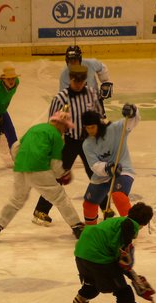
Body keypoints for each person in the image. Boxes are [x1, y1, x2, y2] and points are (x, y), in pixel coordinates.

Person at [59, 202, 155, 303]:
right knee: (125, 295)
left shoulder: (115, 221)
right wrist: (132, 276)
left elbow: (117, 255)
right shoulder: (130, 225)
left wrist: (131, 273)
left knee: (91, 288)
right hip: (97, 257)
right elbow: (122, 256)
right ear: (144, 222)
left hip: (82, 253)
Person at [0, 111, 85, 242]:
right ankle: (77, 227)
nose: (65, 130)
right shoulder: (56, 137)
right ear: (59, 124)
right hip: (40, 170)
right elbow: (55, 163)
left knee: (15, 201)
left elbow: (15, 148)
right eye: (65, 126)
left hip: (20, 168)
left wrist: (22, 161)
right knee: (60, 198)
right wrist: (63, 174)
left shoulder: (34, 128)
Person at [32, 64, 107, 226]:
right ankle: (41, 209)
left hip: (89, 142)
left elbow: (100, 115)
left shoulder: (92, 95)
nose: (79, 83)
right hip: (69, 142)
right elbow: (51, 124)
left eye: (81, 80)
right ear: (70, 79)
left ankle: (105, 208)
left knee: (96, 173)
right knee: (59, 174)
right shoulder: (60, 98)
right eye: (75, 80)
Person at [81, 104, 139, 225]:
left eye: (92, 127)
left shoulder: (115, 129)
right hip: (102, 175)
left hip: (123, 169)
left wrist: (133, 112)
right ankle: (90, 229)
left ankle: (132, 226)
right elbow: (94, 165)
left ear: (99, 124)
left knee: (118, 196)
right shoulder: (87, 144)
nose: (90, 130)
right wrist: (107, 168)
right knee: (88, 204)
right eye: (87, 128)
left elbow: (130, 122)